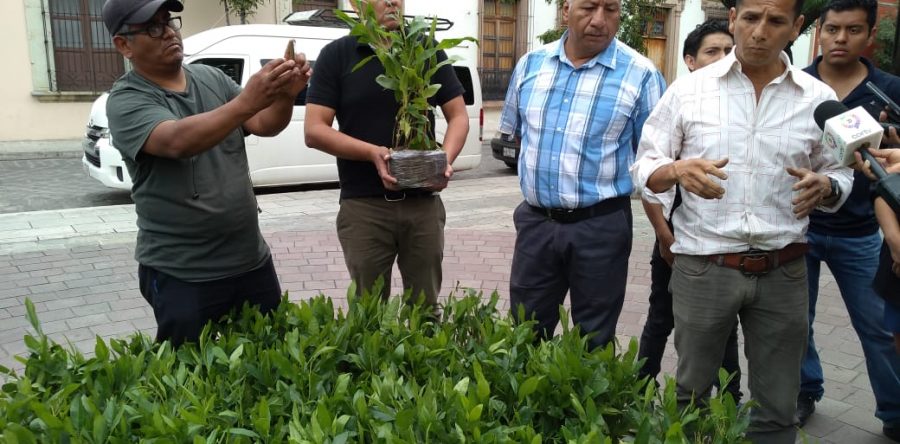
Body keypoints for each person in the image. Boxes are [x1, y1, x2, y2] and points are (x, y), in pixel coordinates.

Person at [630, 0, 853, 438]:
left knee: (777, 404)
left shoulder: (820, 100)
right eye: (750, 18)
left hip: (784, 269)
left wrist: (826, 187)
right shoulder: (688, 90)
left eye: (775, 21)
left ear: (797, 27)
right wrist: (675, 170)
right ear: (733, 19)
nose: (759, 31)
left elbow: (842, 170)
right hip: (704, 267)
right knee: (690, 397)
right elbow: (643, 167)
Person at [102, 0, 312, 345]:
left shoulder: (210, 77)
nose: (169, 31)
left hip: (250, 262)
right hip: (183, 273)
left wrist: (285, 97)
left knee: (269, 362)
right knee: (192, 376)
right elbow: (176, 141)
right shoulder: (125, 100)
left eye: (168, 21)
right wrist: (248, 100)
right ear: (124, 45)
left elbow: (264, 124)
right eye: (152, 27)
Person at [499, 0, 665, 351]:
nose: (600, 20)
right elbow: (516, 133)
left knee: (594, 336)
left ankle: (584, 405)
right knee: (525, 330)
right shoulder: (531, 65)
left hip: (600, 226)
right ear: (565, 11)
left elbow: (653, 156)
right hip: (537, 225)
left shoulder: (642, 74)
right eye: (589, 8)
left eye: (611, 9)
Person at [304, 0, 469, 305]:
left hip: (423, 206)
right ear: (356, 3)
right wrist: (372, 153)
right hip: (364, 207)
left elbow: (458, 116)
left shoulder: (424, 47)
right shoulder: (337, 56)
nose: (393, 1)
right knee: (369, 313)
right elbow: (315, 130)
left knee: (426, 311)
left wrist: (445, 158)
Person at [796, 0, 900, 438]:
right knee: (795, 322)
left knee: (878, 328)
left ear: (870, 35)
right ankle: (804, 390)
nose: (841, 39)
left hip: (862, 232)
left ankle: (894, 412)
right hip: (800, 226)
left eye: (853, 30)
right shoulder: (796, 85)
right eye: (833, 29)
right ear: (818, 31)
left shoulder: (889, 89)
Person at [637, 19, 742, 401]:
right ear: (690, 61)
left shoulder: (740, 111)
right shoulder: (679, 105)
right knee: (660, 318)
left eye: (729, 51)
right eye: (713, 51)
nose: (724, 59)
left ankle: (730, 400)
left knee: (724, 327)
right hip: (674, 237)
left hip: (722, 247)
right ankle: (640, 391)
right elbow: (648, 177)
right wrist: (665, 239)